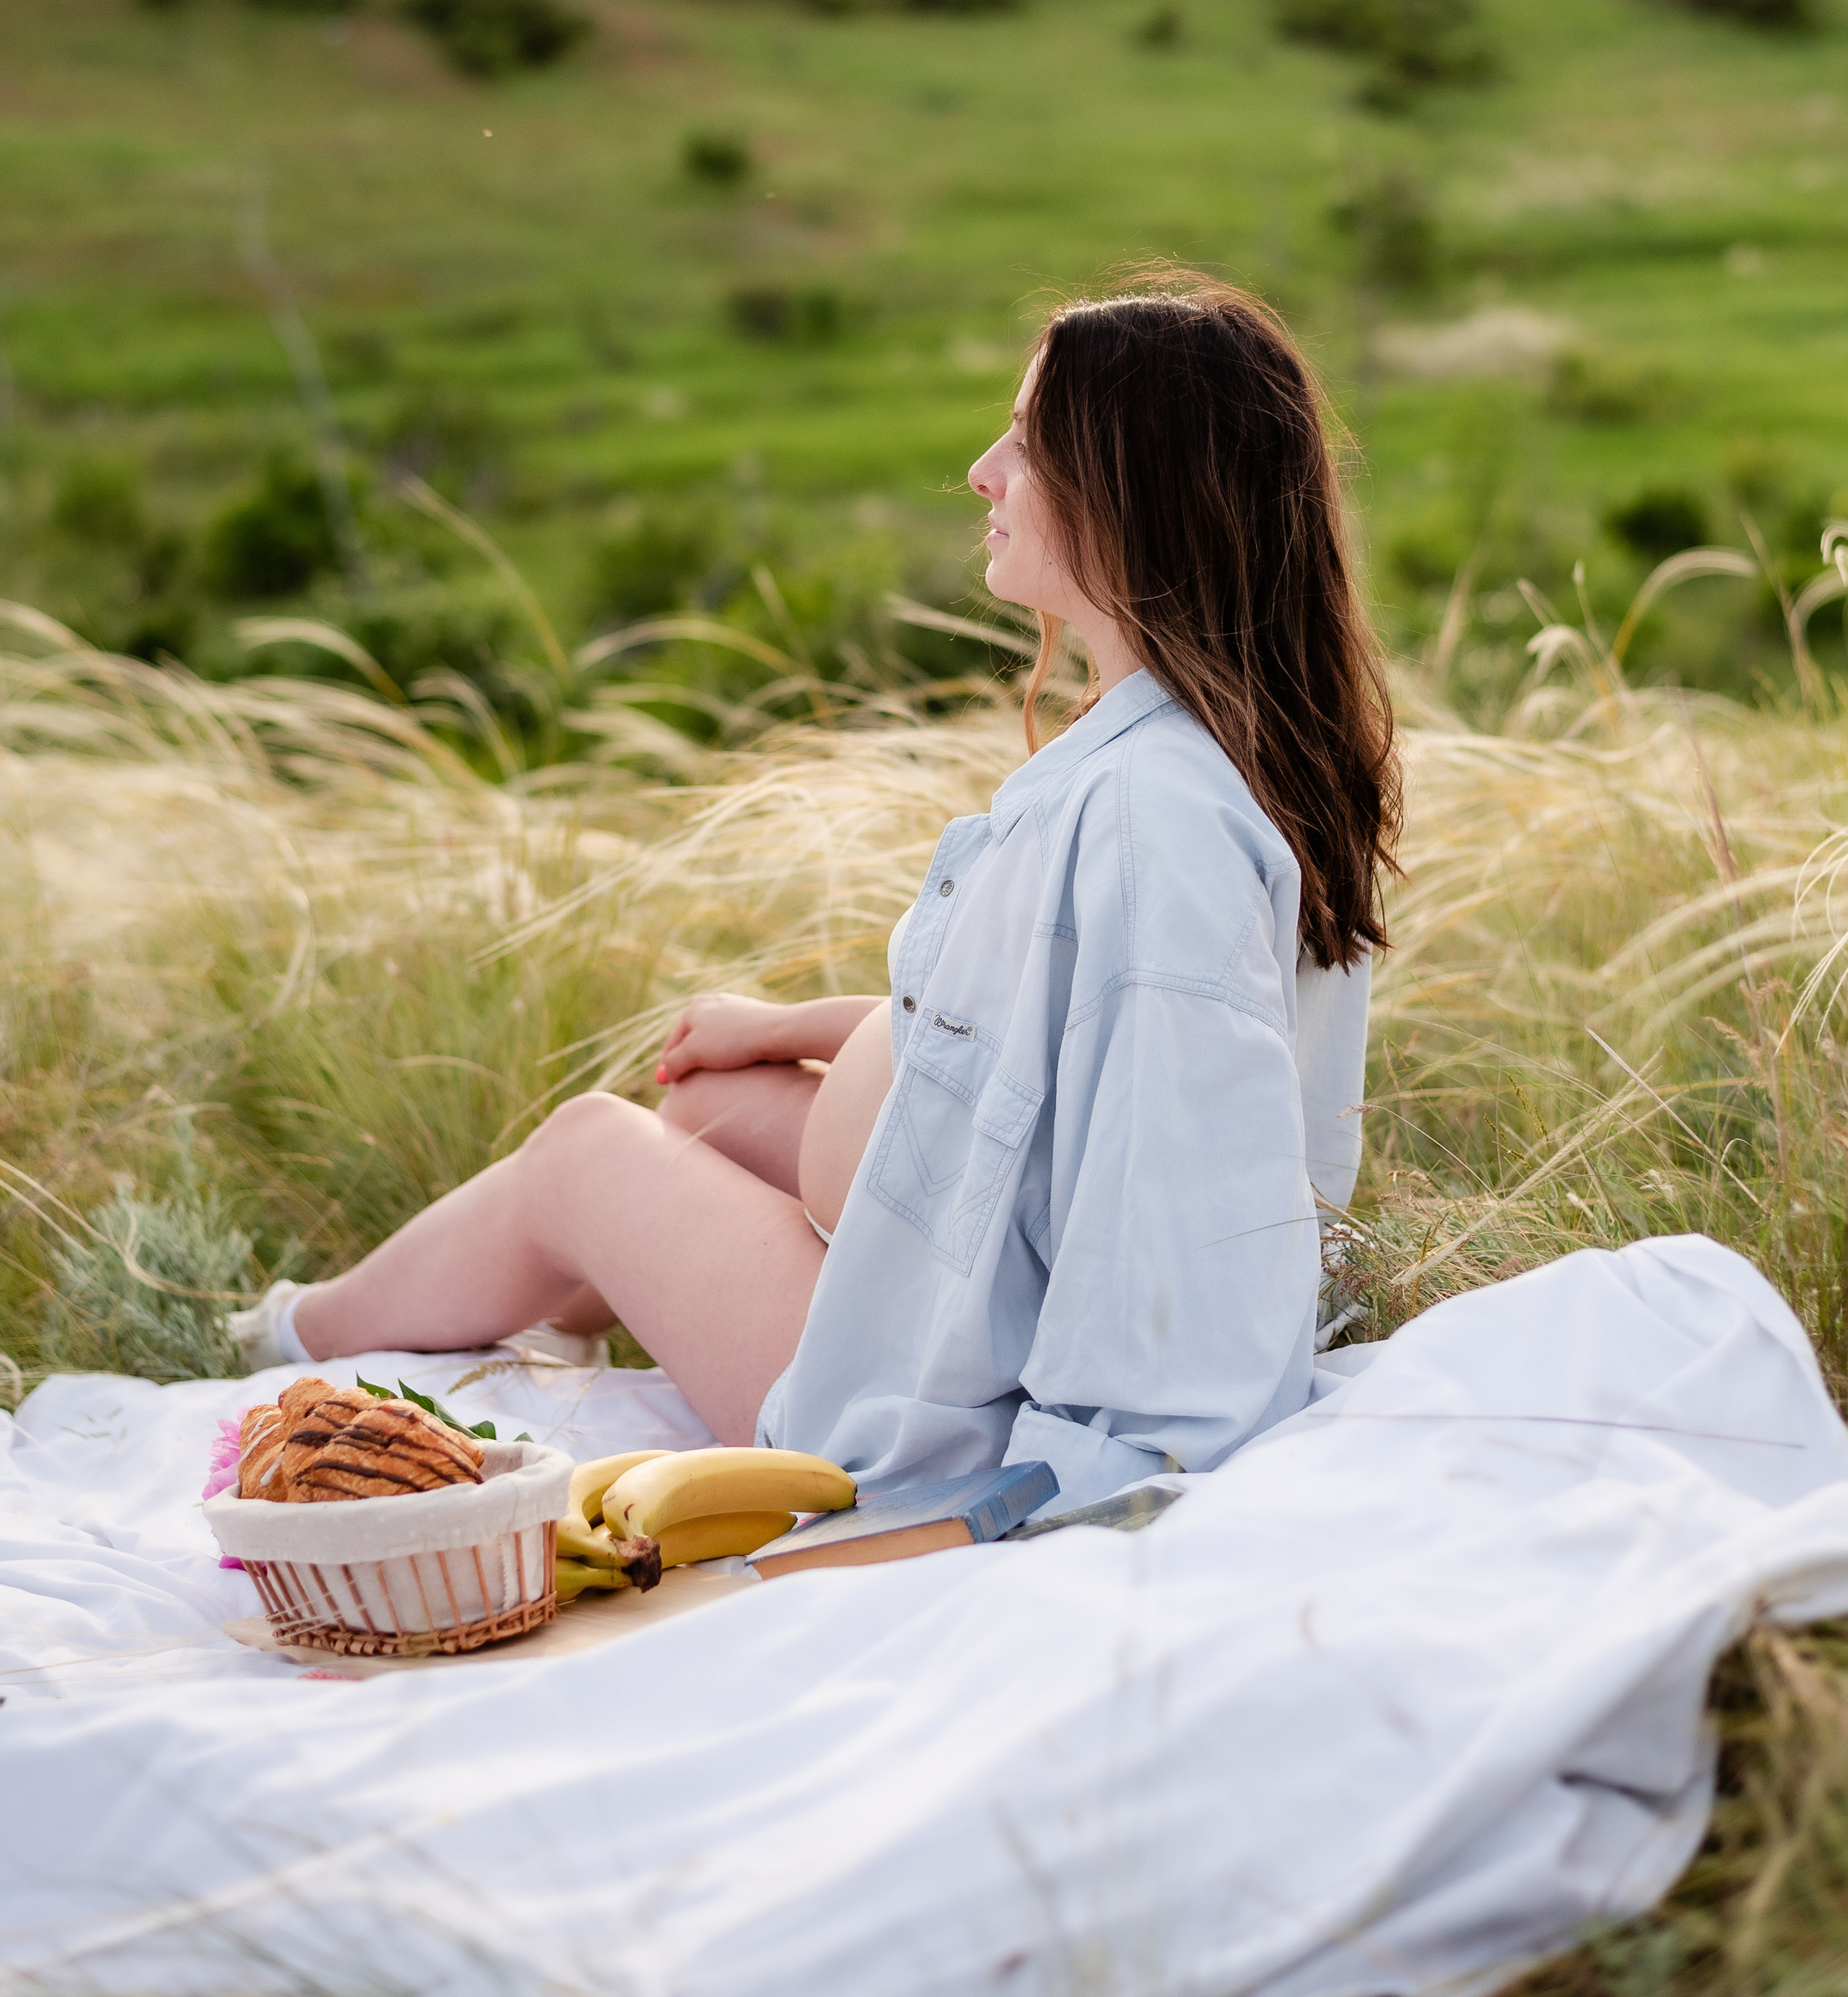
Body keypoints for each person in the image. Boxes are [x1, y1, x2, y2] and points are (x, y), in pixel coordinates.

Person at [231, 277, 1399, 1509]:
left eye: (1029, 439)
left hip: (923, 1391)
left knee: (586, 1148)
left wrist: (1080, 1481)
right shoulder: (1191, 758)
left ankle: (285, 1344)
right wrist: (793, 1029)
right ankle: (532, 1322)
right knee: (712, 1102)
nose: (984, 470)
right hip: (946, 1241)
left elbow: (1163, 1200)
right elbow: (1044, 1051)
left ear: (1136, 490)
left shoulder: (1148, 818)